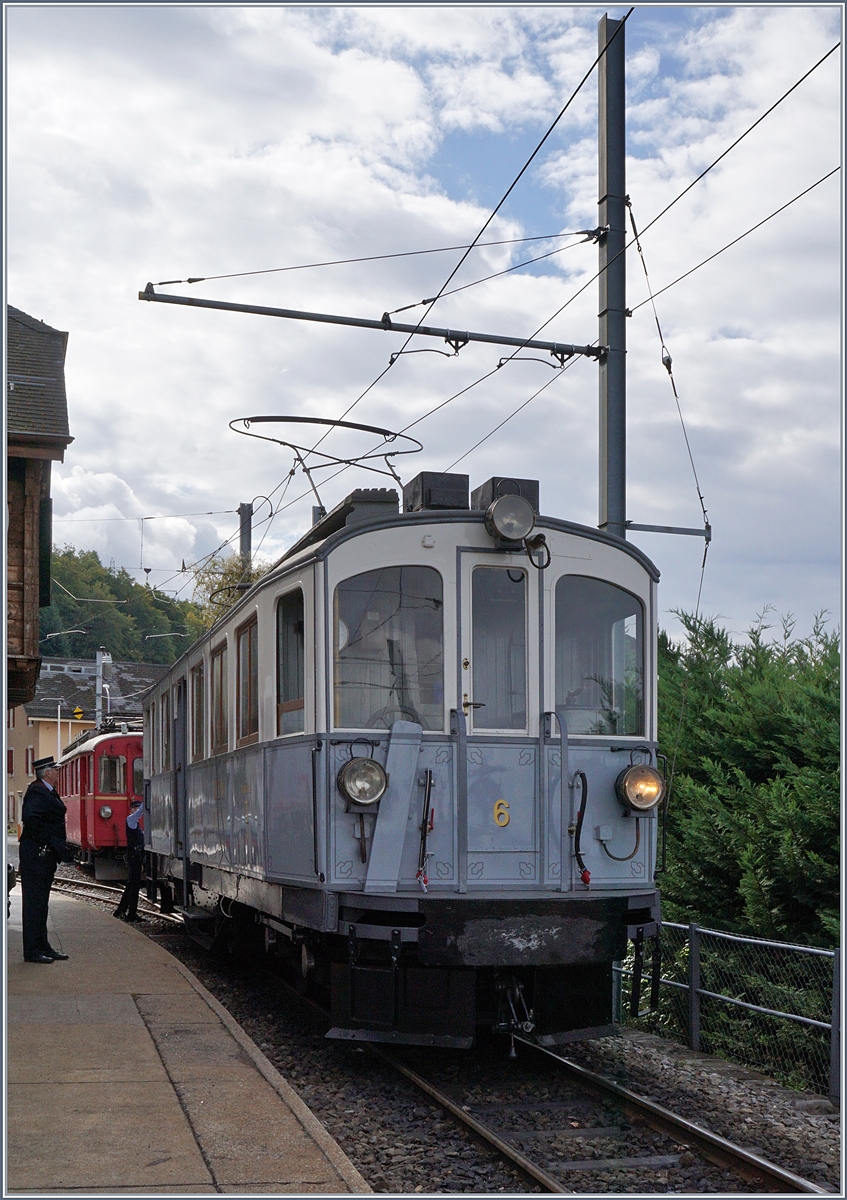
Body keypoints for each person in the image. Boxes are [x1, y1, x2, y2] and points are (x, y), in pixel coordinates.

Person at [19, 757, 72, 963]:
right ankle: (32, 950)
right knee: (34, 904)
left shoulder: (46, 790)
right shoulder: (38, 791)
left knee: (41, 904)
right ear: (47, 772)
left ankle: (43, 945)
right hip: (37, 855)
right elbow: (31, 821)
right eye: (55, 770)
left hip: (43, 855)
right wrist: (53, 842)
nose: (58, 773)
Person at [114, 798, 145, 922]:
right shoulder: (130, 820)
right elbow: (140, 813)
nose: (137, 809)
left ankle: (124, 911)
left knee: (133, 884)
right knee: (133, 884)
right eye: (135, 807)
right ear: (131, 809)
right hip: (133, 855)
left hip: (137, 855)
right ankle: (129, 913)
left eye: (138, 807)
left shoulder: (136, 824)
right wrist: (146, 802)